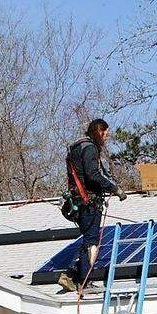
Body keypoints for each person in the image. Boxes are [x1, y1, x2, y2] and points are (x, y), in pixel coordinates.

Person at [57, 118, 127, 293]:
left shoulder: (77, 147)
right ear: (99, 132)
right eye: (105, 134)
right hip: (88, 202)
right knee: (91, 242)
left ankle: (73, 276)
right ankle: (81, 279)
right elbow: (93, 174)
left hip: (79, 202)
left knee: (89, 238)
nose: (106, 138)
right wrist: (114, 188)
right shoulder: (89, 148)